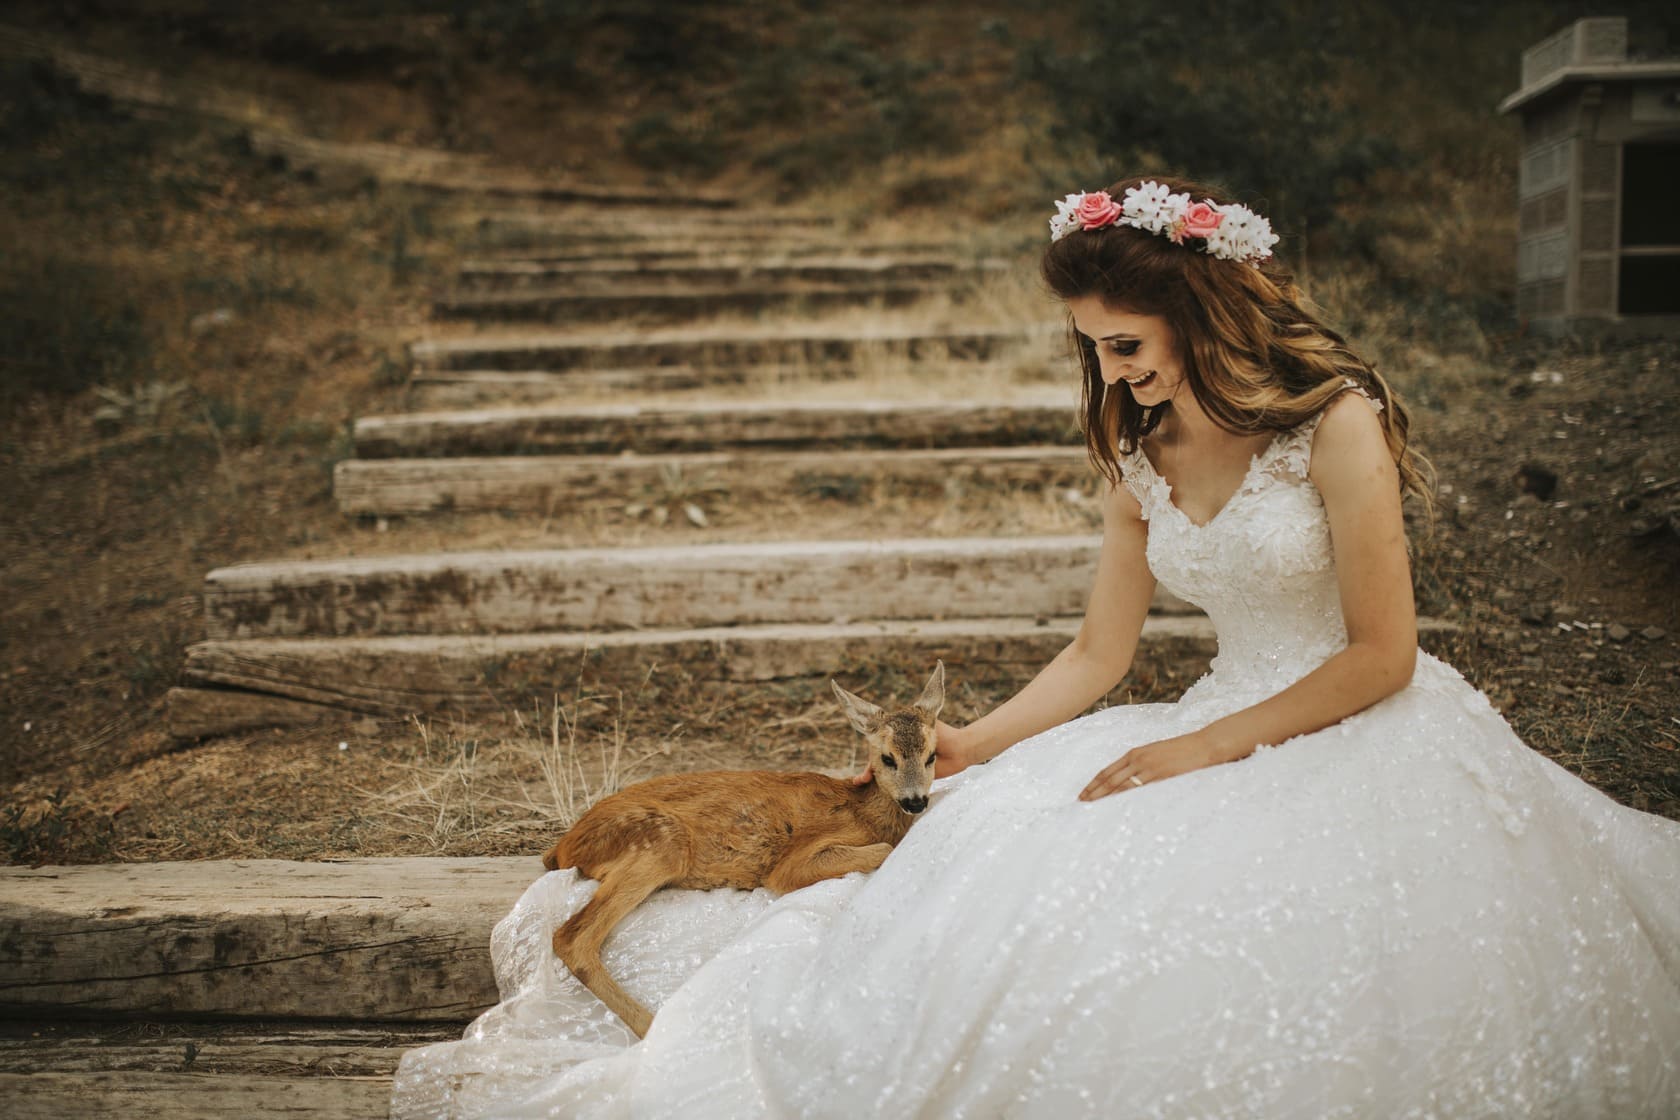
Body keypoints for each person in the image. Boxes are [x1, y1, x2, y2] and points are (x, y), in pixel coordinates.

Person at [391, 176, 1680, 1119]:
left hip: (1357, 725)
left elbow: (1383, 654)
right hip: (1209, 712)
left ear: (1200, 312)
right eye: (1092, 351)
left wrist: (1201, 751)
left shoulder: (1333, 422)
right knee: (1002, 866)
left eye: (1126, 346)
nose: (1111, 376)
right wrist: (975, 741)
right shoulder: (1139, 451)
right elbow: (1097, 656)